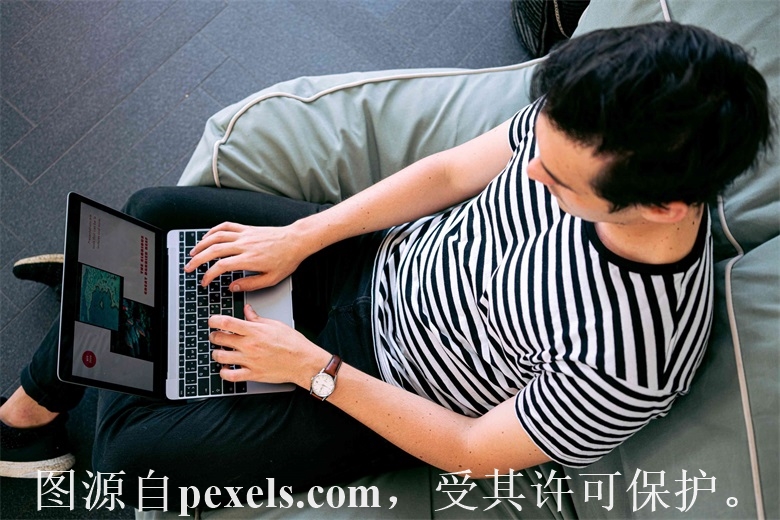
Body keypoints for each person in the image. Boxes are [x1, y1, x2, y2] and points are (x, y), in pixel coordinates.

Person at [0, 21, 773, 509]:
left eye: (558, 182)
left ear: (663, 207)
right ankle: (76, 363)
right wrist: (304, 237)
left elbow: (471, 452)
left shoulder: (628, 362)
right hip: (374, 260)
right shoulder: (585, 119)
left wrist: (311, 369)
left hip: (379, 384)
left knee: (128, 455)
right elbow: (449, 173)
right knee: (159, 209)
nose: (530, 170)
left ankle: (73, 356)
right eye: (537, 150)